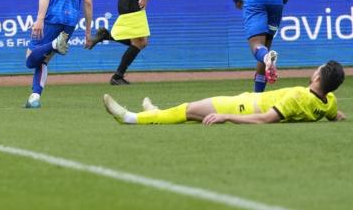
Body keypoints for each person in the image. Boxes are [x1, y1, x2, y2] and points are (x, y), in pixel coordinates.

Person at [103, 61, 345, 125]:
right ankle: (155, 114)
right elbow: (335, 115)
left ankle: (129, 117)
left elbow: (266, 119)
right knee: (190, 114)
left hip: (242, 108)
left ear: (317, 76)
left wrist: (226, 117)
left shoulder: (298, 97)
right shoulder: (328, 102)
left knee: (188, 110)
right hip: (247, 102)